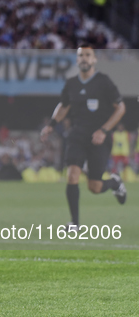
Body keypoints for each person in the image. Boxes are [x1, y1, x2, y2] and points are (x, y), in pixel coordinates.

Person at [41, 44, 126, 231]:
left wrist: (104, 130)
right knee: (72, 175)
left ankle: (114, 183)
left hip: (99, 138)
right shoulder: (71, 83)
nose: (84, 58)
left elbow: (120, 108)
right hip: (77, 135)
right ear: (77, 59)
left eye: (88, 55)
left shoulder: (104, 81)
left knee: (94, 187)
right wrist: (51, 126)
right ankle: (75, 224)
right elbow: (63, 106)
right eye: (81, 55)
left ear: (94, 59)